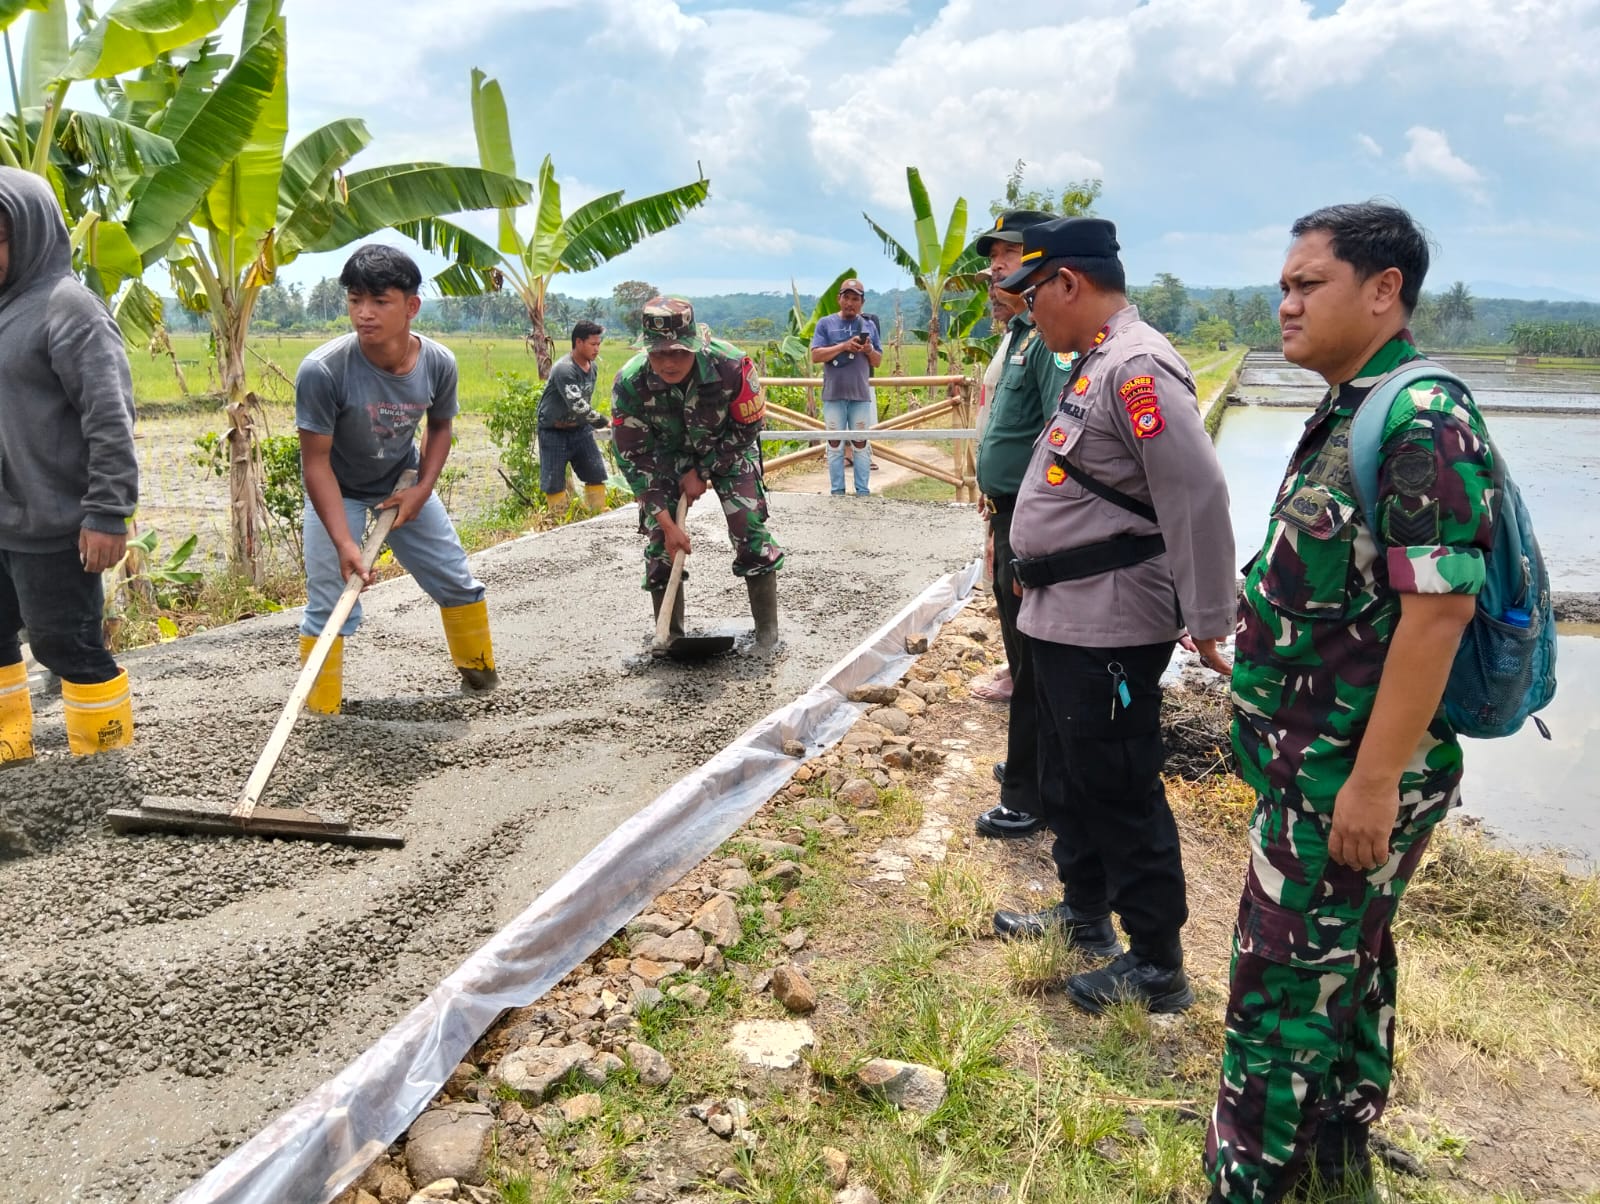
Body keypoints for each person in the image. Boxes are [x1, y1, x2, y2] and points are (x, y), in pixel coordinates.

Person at [1207, 203, 1492, 1204]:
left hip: (1346, 780)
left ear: (1381, 291)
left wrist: (1369, 787)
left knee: (1276, 995)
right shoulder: (1348, 409)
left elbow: (1438, 614)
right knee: (1348, 965)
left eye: (1304, 284)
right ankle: (1334, 1151)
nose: (1282, 303)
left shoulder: (1420, 417)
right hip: (1307, 767)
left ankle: (1245, 1180)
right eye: (1281, 285)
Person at [991, 216, 1235, 1011]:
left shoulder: (1138, 369)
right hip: (1065, 614)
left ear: (1069, 282)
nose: (1029, 312)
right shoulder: (1096, 362)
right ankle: (1085, 913)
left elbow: (1195, 492)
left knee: (1119, 784)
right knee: (1068, 778)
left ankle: (1158, 962)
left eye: (1034, 295)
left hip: (1111, 623)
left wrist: (1207, 614)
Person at [294, 244, 498, 712]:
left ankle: (481, 679)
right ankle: (323, 713)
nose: (363, 314)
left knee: (456, 579)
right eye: (354, 300)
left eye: (379, 302)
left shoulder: (438, 362)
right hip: (338, 488)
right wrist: (345, 542)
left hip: (402, 483)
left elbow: (441, 426)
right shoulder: (323, 371)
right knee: (329, 597)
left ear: (411, 306)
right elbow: (316, 464)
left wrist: (421, 490)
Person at [0, 168, 138, 762]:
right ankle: (11, 748)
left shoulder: (68, 309)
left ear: (28, 233)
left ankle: (104, 763)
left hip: (54, 526)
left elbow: (109, 418)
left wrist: (108, 513)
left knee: (66, 643)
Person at [967, 210, 1073, 840]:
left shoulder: (1047, 341)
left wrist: (1031, 534)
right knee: (1021, 653)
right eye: (993, 260)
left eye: (1007, 256)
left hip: (1030, 522)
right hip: (1008, 514)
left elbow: (1057, 444)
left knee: (1034, 664)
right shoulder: (1018, 335)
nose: (995, 270)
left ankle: (1030, 792)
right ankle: (1033, 764)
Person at [612, 296, 783, 649]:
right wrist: (668, 524)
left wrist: (703, 471)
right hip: (664, 458)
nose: (669, 362)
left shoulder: (733, 367)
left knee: (748, 525)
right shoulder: (630, 383)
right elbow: (634, 457)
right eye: (658, 354)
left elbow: (747, 428)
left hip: (727, 447)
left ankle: (768, 633)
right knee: (661, 545)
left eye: (678, 352)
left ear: (695, 346)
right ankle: (669, 635)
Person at [810, 278, 882, 496]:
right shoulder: (825, 323)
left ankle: (863, 492)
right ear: (838, 299)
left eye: (855, 299)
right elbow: (815, 355)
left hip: (860, 394)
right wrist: (843, 346)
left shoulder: (869, 325)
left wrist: (868, 349)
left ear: (862, 302)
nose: (850, 303)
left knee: (861, 445)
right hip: (833, 394)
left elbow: (877, 361)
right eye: (847, 298)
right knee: (834, 446)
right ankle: (837, 493)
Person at [537, 320, 611, 516]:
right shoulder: (564, 369)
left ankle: (597, 513)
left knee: (596, 472)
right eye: (592, 344)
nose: (597, 349)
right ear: (579, 342)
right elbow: (578, 404)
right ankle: (559, 518)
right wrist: (604, 421)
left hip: (580, 429)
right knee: (554, 481)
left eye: (598, 344)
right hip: (554, 430)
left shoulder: (592, 367)